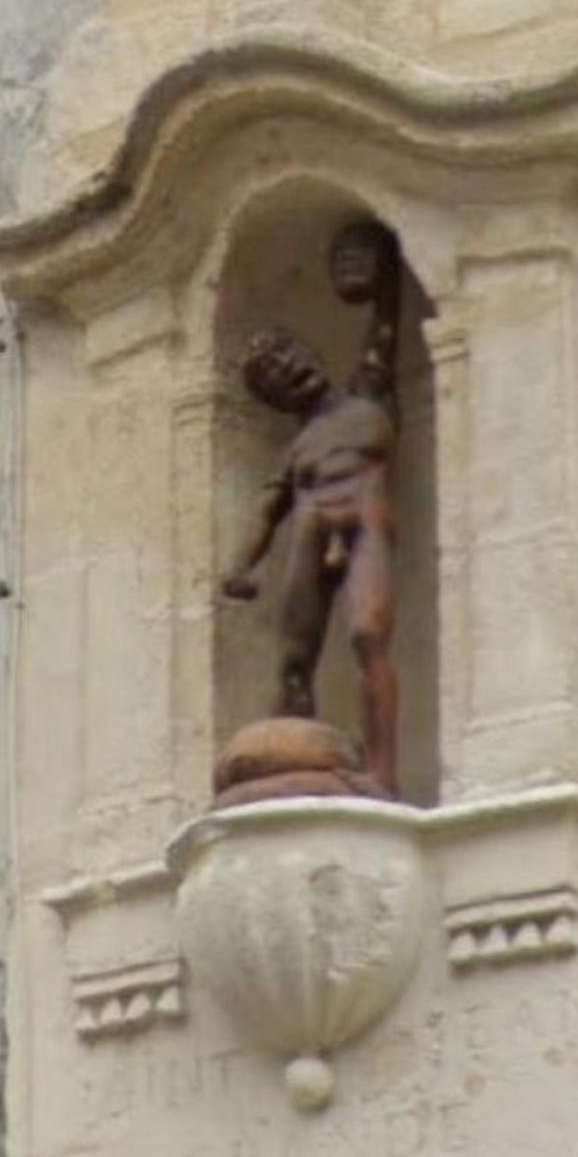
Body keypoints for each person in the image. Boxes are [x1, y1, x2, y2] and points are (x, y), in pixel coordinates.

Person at [221, 220, 401, 794]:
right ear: (276, 398)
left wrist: (383, 261)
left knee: (370, 636)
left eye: (291, 356)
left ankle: (382, 773)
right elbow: (266, 510)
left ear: (311, 353)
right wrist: (242, 566)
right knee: (294, 659)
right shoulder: (297, 447)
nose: (290, 371)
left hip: (365, 523)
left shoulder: (369, 391)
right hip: (309, 529)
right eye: (276, 377)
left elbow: (387, 326)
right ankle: (293, 769)